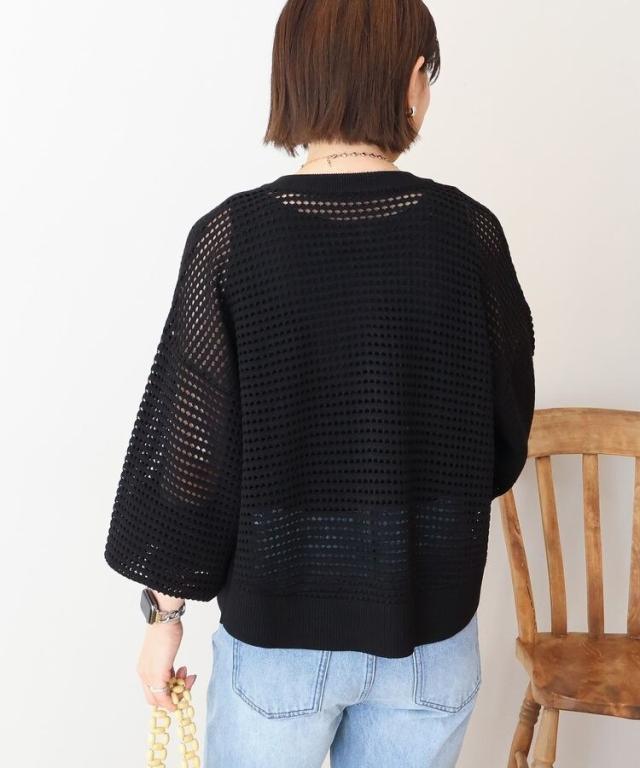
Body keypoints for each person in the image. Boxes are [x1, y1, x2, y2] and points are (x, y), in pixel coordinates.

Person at [103, 1, 536, 766]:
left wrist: (163, 616)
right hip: (431, 634)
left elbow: (194, 457)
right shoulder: (470, 235)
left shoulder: (232, 239)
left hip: (279, 634)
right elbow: (504, 440)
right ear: (412, 80)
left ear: (294, 78)